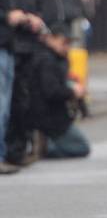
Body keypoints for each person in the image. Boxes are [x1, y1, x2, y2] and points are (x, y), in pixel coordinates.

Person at [3, 0, 45, 164]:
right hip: (9, 42)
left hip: (28, 43)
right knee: (8, 100)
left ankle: (21, 147)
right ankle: (10, 149)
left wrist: (35, 17)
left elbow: (40, 3)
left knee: (23, 99)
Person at [27, 24, 90, 158]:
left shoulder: (59, 59)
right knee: (82, 147)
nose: (67, 47)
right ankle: (47, 148)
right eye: (64, 43)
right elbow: (51, 91)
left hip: (56, 115)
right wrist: (73, 92)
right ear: (51, 39)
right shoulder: (46, 60)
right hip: (49, 116)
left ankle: (48, 144)